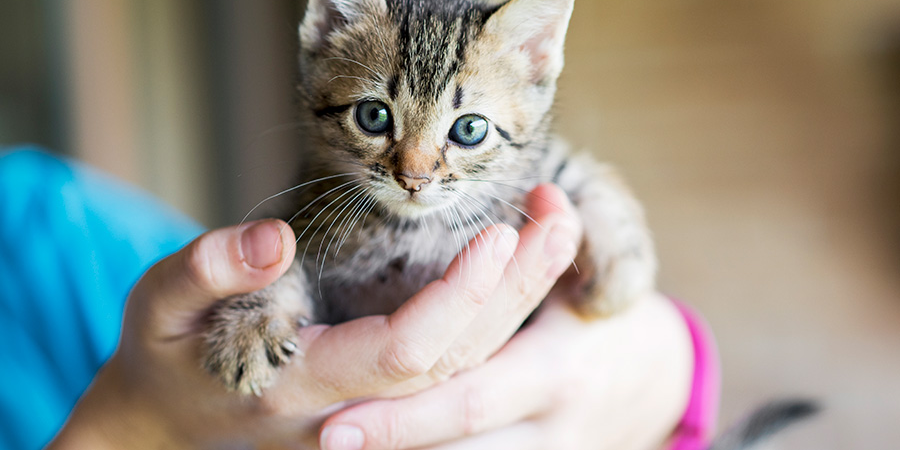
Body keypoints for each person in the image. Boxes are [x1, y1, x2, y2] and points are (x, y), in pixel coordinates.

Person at [0, 147, 717, 450]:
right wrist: (129, 429)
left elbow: (267, 278)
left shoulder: (36, 226)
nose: (414, 171)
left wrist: (667, 361)